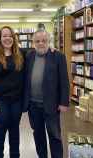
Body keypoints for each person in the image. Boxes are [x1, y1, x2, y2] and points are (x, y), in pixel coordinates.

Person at [23, 30, 69, 158]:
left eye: (44, 40)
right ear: (33, 43)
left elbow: (64, 81)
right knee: (38, 136)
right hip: (33, 105)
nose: (41, 43)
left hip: (51, 105)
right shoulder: (29, 56)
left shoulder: (58, 56)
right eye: (37, 41)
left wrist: (64, 102)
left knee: (54, 136)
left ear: (49, 41)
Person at [0, 26, 24, 158]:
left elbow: (38, 51)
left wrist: (51, 49)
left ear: (14, 38)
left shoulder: (20, 55)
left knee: (15, 132)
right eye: (4, 36)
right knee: (0, 132)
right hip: (0, 102)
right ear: (0, 39)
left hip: (16, 102)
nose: (8, 38)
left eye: (10, 36)